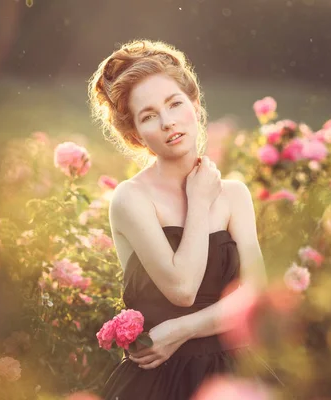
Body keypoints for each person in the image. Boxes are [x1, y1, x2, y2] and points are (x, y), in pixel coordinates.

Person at [88, 39, 268, 400]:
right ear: (136, 134)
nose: (168, 122)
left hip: (233, 375)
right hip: (159, 380)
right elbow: (183, 290)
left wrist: (179, 331)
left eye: (175, 104)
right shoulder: (131, 198)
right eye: (149, 115)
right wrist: (199, 200)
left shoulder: (234, 195)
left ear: (195, 106)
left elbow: (256, 295)